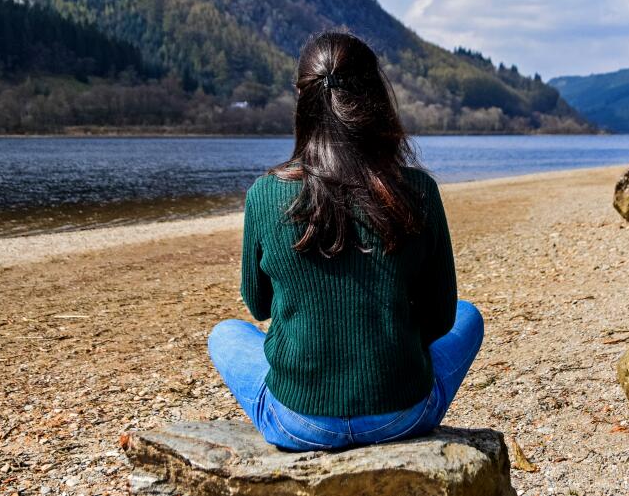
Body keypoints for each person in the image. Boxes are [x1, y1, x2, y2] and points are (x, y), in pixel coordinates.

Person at [207, 31, 483, 451]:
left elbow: (259, 305)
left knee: (225, 334)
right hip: (402, 415)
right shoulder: (418, 190)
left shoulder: (265, 193)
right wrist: (387, 344)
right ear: (376, 101)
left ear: (304, 102)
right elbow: (441, 317)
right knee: (469, 316)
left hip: (299, 423)